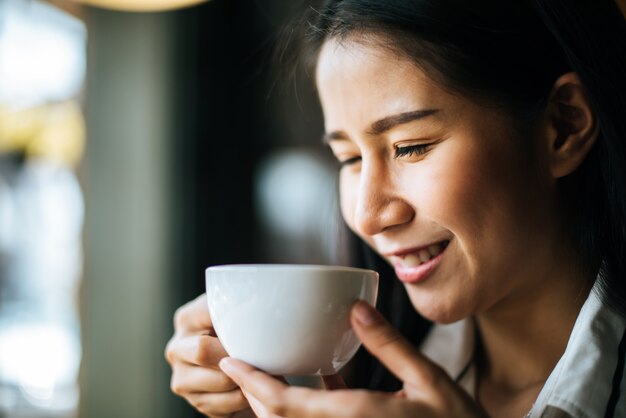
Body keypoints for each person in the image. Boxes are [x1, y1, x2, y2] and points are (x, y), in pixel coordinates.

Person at [165, 0, 626, 417]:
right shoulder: (357, 390)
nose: (367, 216)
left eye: (410, 147)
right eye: (348, 158)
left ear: (564, 127)